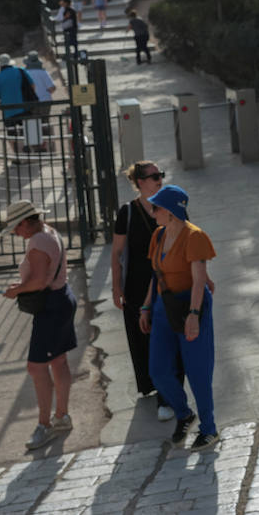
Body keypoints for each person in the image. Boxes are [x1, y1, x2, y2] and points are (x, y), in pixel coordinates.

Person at [138, 185, 219, 451]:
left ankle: (209, 429)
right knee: (158, 370)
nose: (152, 211)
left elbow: (198, 281)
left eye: (156, 207)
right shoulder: (158, 235)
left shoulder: (194, 236)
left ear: (172, 212)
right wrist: (147, 306)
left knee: (197, 370)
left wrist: (194, 315)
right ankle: (184, 413)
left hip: (190, 305)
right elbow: (155, 275)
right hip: (164, 306)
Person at [1, 199, 78, 451]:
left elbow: (39, 281)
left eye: (16, 227)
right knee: (58, 360)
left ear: (25, 222)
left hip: (51, 307)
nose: (15, 232)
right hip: (62, 299)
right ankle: (62, 416)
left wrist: (17, 290)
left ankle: (45, 424)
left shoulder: (37, 243)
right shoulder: (49, 231)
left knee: (36, 367)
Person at [112, 161, 182, 422]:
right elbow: (117, 253)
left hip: (167, 283)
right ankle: (157, 389)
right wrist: (116, 287)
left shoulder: (170, 204)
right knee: (144, 340)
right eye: (154, 176)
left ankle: (167, 395)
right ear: (140, 182)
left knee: (165, 340)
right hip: (137, 285)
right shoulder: (127, 212)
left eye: (160, 174)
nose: (159, 179)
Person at [0, 53, 35, 135]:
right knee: (29, 134)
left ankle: (17, 147)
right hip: (25, 108)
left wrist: (1, 103)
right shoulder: (21, 71)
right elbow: (32, 85)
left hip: (8, 111)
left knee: (12, 136)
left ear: (0, 65)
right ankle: (29, 147)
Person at [24, 52, 57, 126]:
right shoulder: (43, 72)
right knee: (45, 122)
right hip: (45, 101)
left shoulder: (25, 73)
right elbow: (52, 88)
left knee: (33, 124)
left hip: (30, 102)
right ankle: (46, 136)